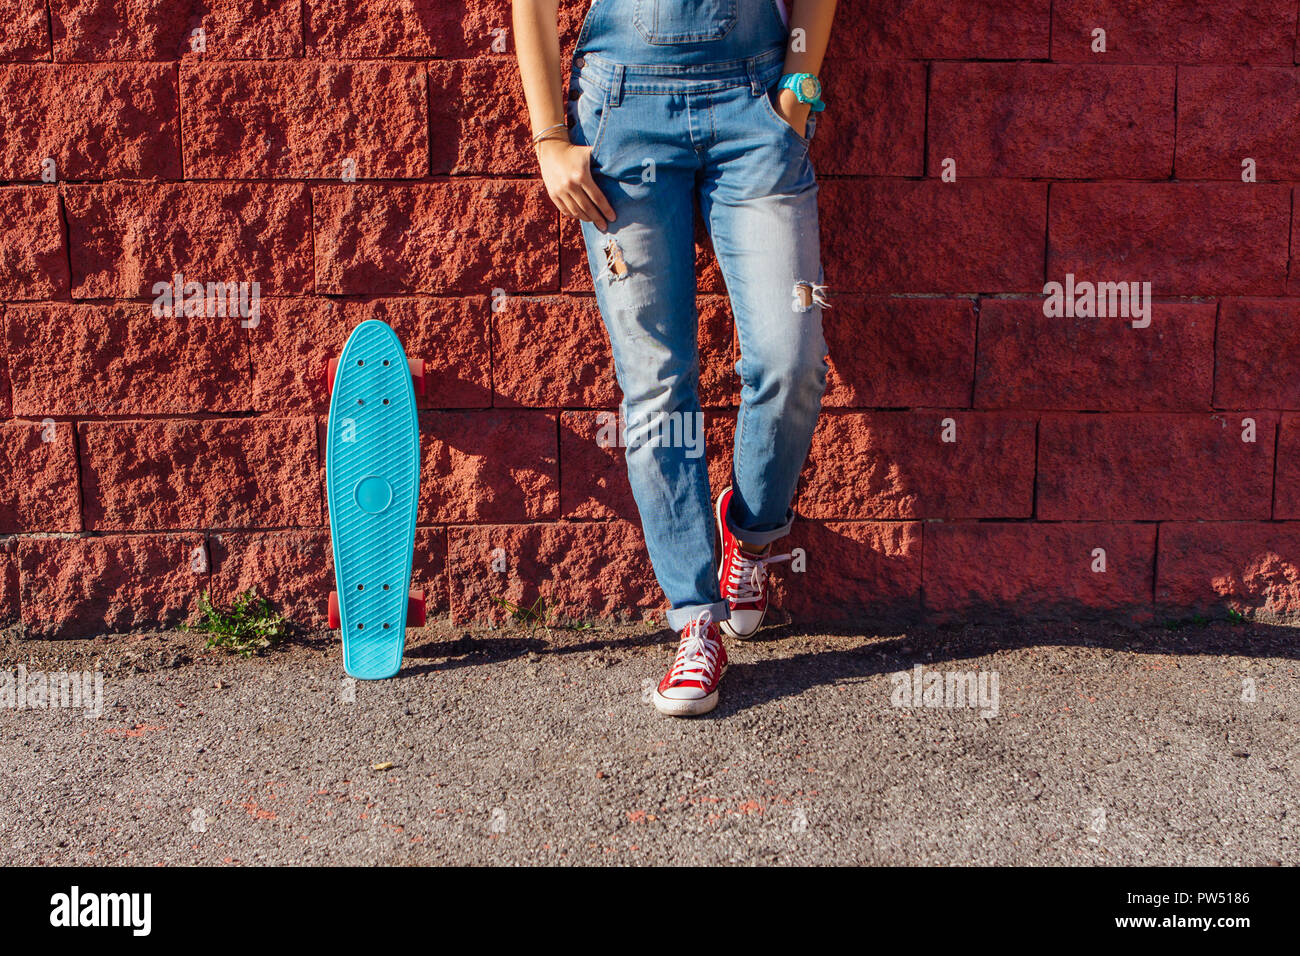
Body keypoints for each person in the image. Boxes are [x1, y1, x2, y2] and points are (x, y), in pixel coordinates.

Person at [513, 0, 836, 716]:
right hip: (622, 117)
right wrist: (548, 140)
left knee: (793, 357)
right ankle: (696, 617)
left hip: (756, 105)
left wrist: (798, 87)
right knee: (658, 384)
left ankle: (749, 540)